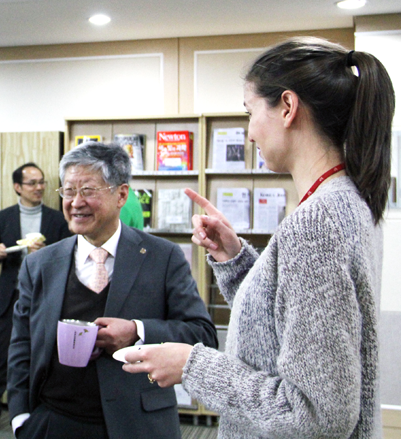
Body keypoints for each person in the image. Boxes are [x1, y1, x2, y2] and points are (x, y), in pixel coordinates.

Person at [122, 37, 394, 438]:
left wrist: (192, 366)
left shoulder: (317, 223)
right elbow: (281, 329)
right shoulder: (349, 201)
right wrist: (235, 259)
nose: (248, 133)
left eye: (250, 112)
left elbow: (315, 415)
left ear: (287, 107)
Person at [7, 142, 217, 439]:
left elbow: (201, 335)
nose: (75, 202)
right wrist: (20, 417)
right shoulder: (40, 264)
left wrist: (137, 331)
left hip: (139, 425)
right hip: (54, 422)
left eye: (88, 190)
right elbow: (21, 344)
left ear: (121, 194)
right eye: (68, 191)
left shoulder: (163, 257)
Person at [0, 163, 71, 436]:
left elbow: (68, 256)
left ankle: (38, 410)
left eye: (42, 182)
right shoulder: (3, 217)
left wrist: (46, 253)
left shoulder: (56, 219)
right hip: (11, 297)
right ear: (18, 187)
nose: (39, 187)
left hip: (47, 297)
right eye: (32, 183)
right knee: (2, 357)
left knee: (45, 356)